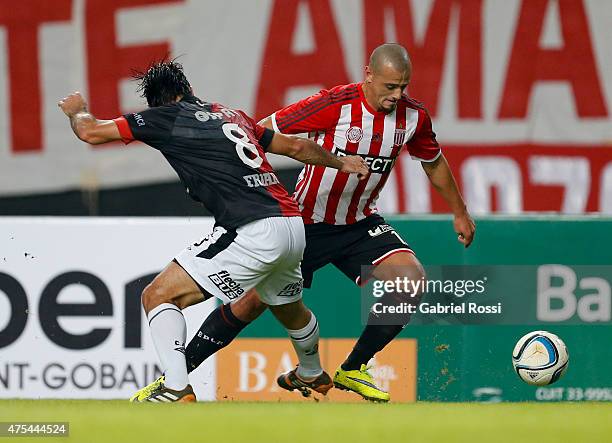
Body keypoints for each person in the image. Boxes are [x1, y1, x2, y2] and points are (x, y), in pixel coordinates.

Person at [58, 60, 369, 402]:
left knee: (158, 296)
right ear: (189, 89)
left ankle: (176, 388)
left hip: (253, 228)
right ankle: (311, 371)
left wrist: (78, 111)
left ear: (158, 103)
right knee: (288, 307)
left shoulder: (164, 117)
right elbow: (295, 147)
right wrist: (342, 162)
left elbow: (90, 132)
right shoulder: (231, 114)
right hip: (292, 226)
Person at [180, 43, 476, 402]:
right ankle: (174, 380)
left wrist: (459, 211)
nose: (397, 95)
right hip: (305, 223)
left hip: (359, 223)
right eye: (389, 87)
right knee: (251, 303)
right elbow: (260, 132)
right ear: (368, 74)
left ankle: (353, 369)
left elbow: (433, 162)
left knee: (409, 281)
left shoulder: (413, 118)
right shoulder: (334, 104)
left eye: (403, 87)